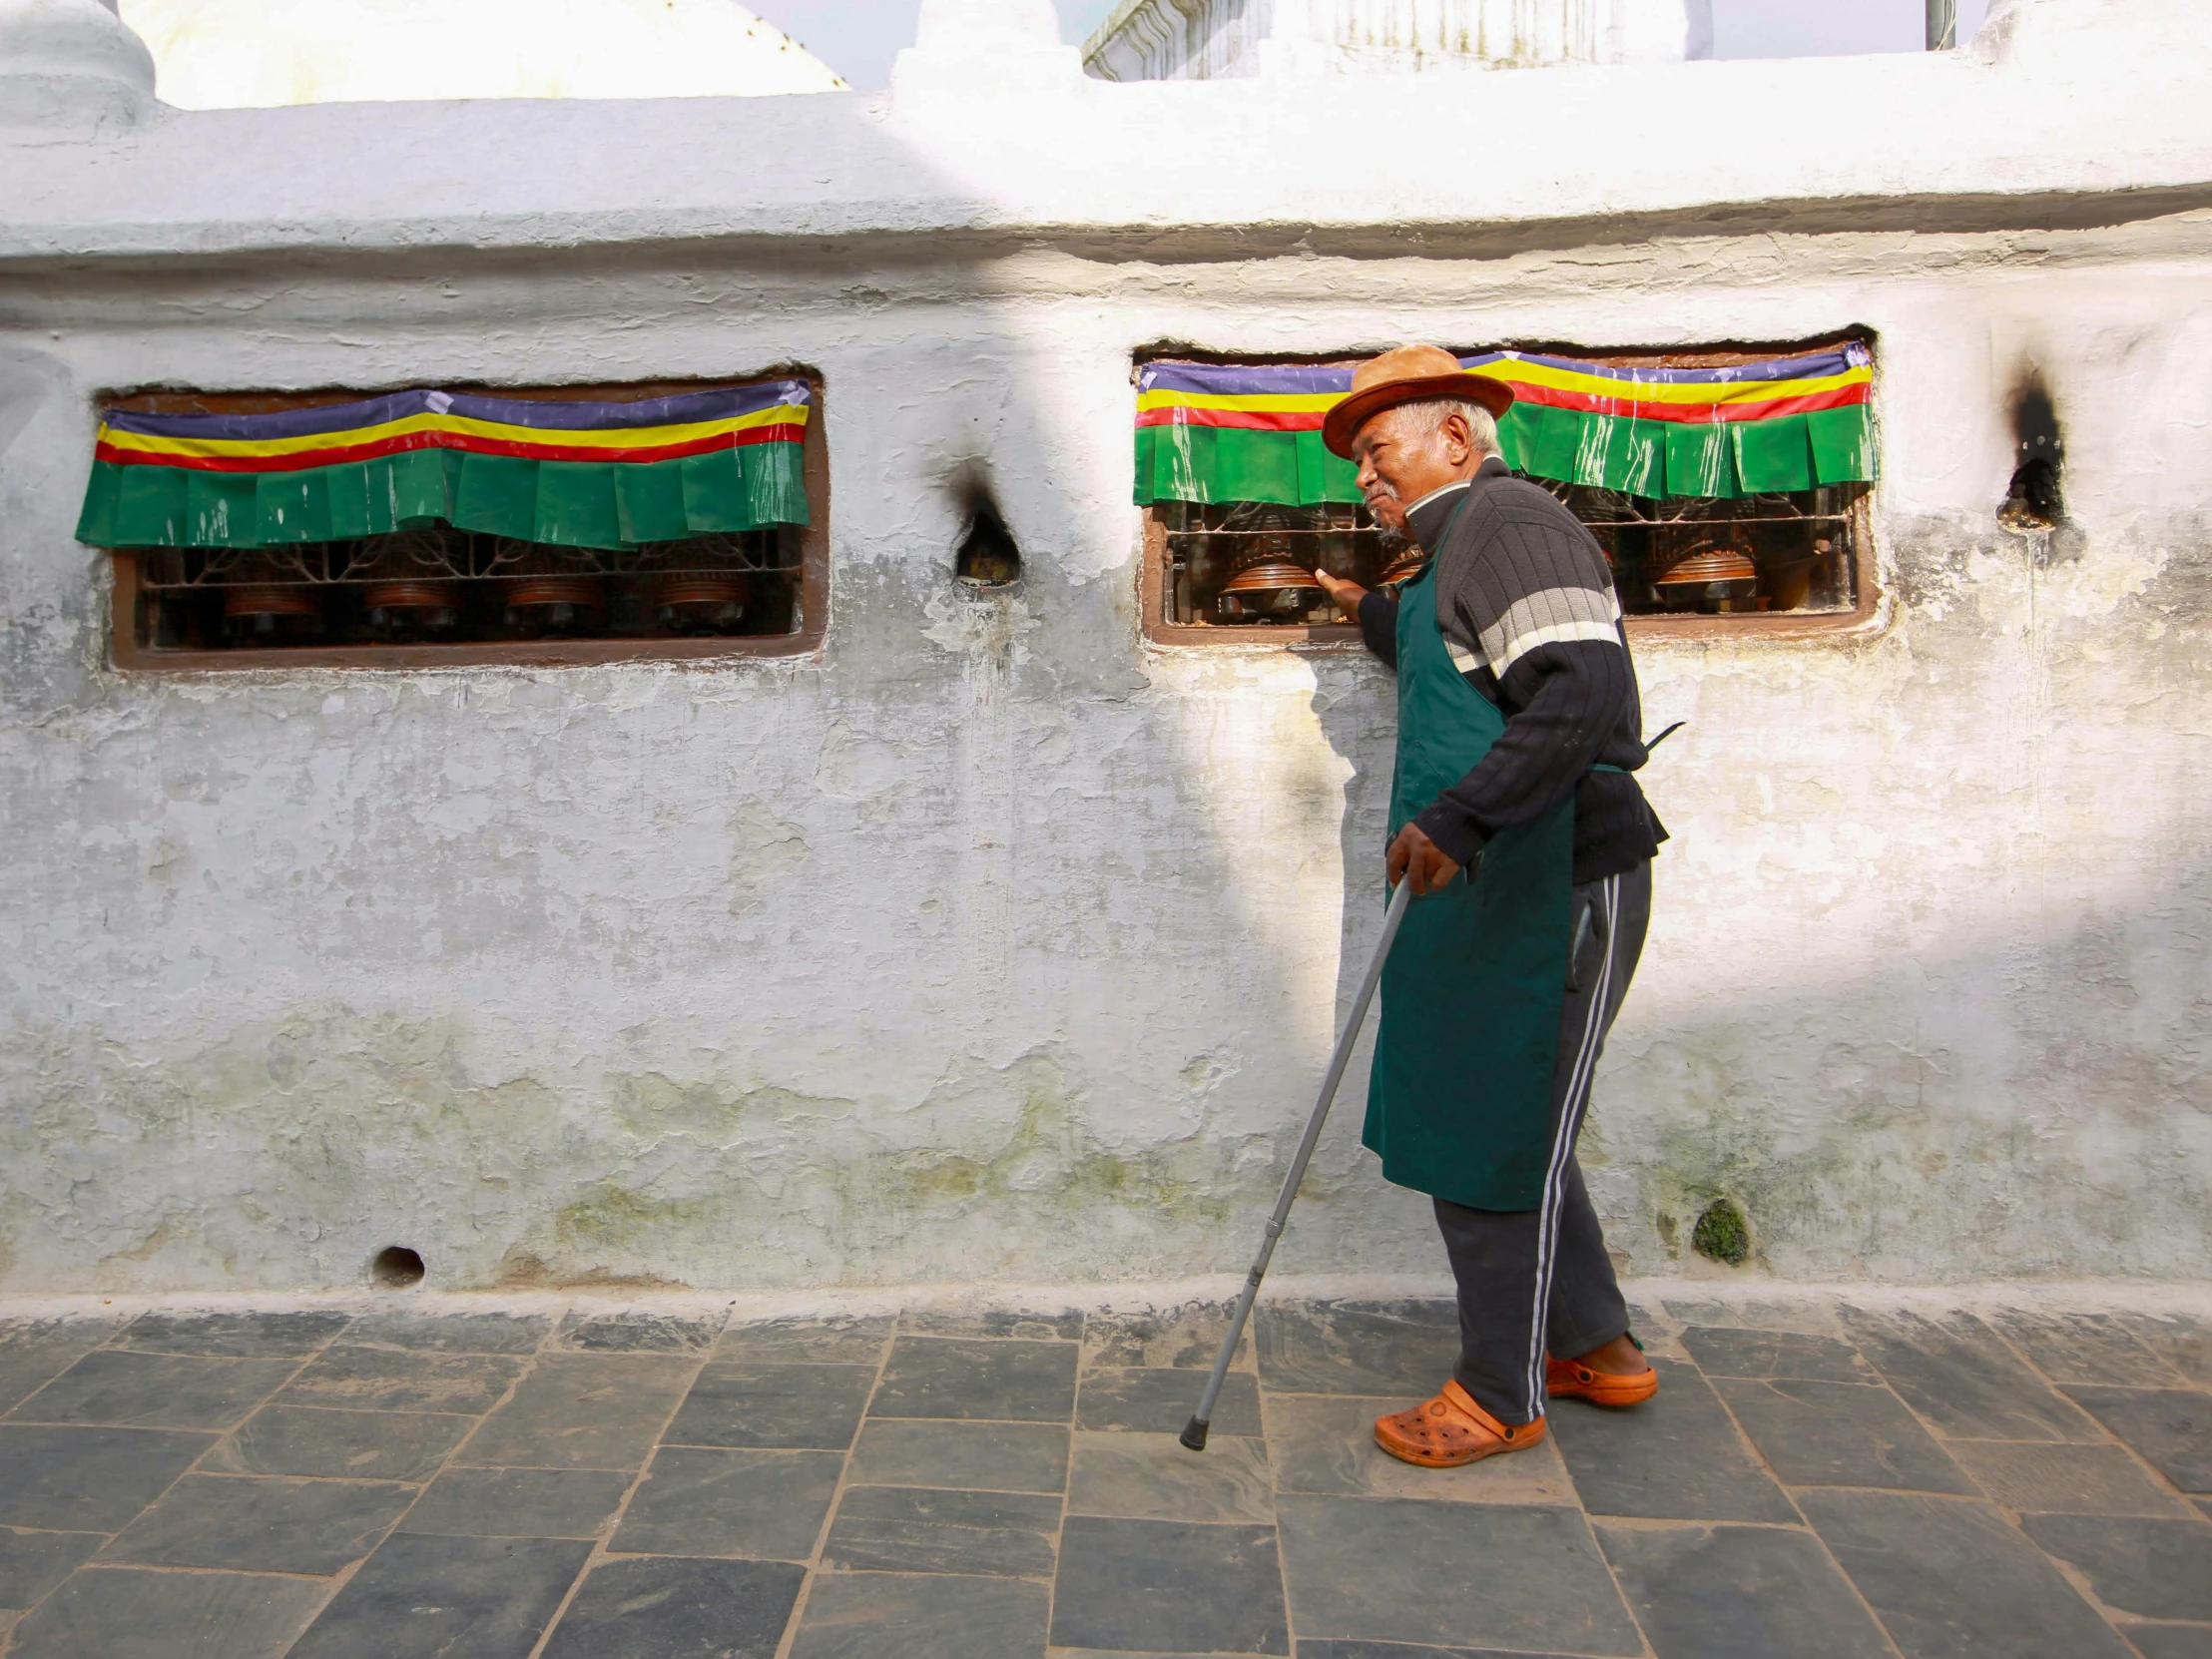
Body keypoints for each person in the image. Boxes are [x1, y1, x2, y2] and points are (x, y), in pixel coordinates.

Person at [1310, 344, 1664, 1468]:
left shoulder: (1510, 525)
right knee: (1509, 1120)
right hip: (1496, 881)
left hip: (1552, 881)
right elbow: (1460, 658)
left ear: (1452, 440)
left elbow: (1580, 689)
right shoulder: (1451, 552)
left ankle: (1497, 1394)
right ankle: (1592, 1346)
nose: (1362, 477)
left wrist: (1457, 821)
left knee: (1495, 1130)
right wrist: (1369, 613)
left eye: (1376, 450)